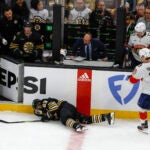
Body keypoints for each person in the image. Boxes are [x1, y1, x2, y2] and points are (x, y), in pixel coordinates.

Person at [32, 97, 115, 132]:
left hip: (64, 108)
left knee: (64, 119)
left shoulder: (44, 102)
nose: (38, 108)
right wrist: (45, 116)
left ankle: (77, 126)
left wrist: (47, 116)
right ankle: (107, 116)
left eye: (37, 107)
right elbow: (52, 113)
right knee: (85, 119)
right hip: (69, 109)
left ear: (39, 103)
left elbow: (54, 108)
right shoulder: (44, 108)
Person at [128, 48, 150, 132]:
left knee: (142, 109)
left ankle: (143, 123)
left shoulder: (140, 67)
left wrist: (132, 75)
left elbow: (132, 81)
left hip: (147, 93)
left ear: (143, 57)